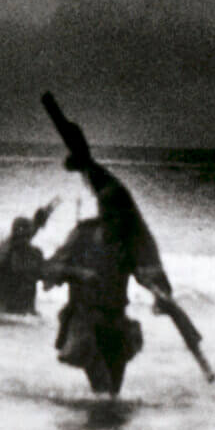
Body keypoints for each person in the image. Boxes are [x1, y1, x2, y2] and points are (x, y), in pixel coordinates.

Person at [42, 147, 174, 396]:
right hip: (85, 323)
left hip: (116, 323)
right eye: (109, 212)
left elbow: (148, 271)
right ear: (103, 210)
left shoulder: (128, 243)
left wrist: (161, 293)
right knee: (103, 388)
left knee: (112, 394)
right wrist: (77, 273)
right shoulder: (83, 235)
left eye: (118, 215)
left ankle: (105, 429)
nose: (115, 219)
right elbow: (49, 269)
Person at [0, 201, 57, 316]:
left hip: (3, 314)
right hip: (27, 315)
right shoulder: (36, 255)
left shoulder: (1, 255)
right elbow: (47, 285)